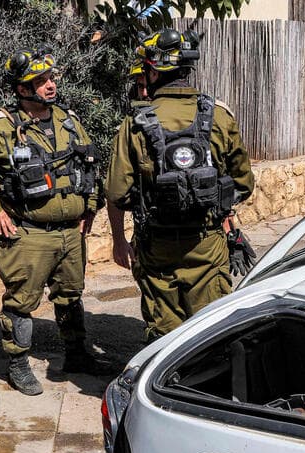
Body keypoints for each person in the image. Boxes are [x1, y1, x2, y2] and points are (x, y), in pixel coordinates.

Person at [0, 45, 102, 395]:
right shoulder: (1, 126)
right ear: (21, 89)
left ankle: (77, 355)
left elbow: (89, 163)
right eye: (41, 81)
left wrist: (90, 205)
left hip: (69, 233)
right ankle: (18, 363)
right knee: (21, 301)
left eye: (51, 78)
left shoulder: (68, 119)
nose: (50, 85)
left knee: (70, 295)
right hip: (29, 234)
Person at [105, 29, 256, 342]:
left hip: (157, 248)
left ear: (153, 70)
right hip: (208, 245)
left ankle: (164, 387)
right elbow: (244, 184)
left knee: (165, 337)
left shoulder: (133, 124)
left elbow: (118, 193)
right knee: (210, 334)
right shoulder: (219, 116)